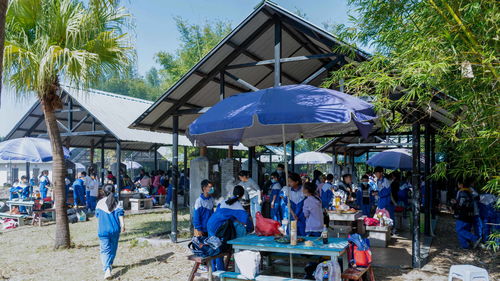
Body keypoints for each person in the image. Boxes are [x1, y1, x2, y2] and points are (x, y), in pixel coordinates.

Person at [207, 185, 252, 271]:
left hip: (210, 223)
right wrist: (250, 229)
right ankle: (220, 273)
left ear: (233, 193)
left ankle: (213, 271)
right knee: (218, 249)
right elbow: (246, 220)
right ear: (242, 195)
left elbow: (223, 213)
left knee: (212, 247)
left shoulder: (225, 201)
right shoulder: (238, 206)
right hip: (218, 227)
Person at [96, 184, 125, 279]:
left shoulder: (99, 203)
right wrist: (123, 225)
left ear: (103, 192)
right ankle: (109, 264)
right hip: (115, 229)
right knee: (113, 248)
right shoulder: (117, 202)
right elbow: (120, 214)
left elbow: (97, 216)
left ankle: (107, 269)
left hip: (103, 230)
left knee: (104, 250)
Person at [451, 179, 481, 249]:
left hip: (463, 215)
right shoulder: (471, 191)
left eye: (458, 184)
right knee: (466, 230)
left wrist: (455, 204)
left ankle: (475, 238)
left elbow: (461, 205)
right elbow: (478, 198)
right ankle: (465, 246)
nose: (458, 185)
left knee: (459, 229)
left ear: (461, 185)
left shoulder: (462, 192)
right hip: (471, 214)